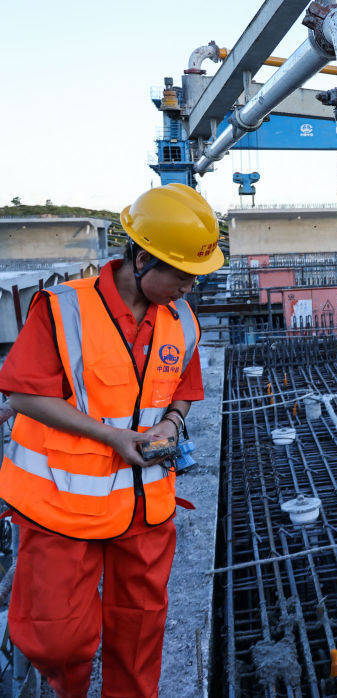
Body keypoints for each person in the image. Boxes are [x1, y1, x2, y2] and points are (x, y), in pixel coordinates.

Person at [0, 183, 224, 697]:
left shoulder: (181, 320)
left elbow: (183, 391)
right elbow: (22, 393)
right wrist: (111, 437)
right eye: (183, 274)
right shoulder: (63, 308)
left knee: (140, 633)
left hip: (145, 505)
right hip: (64, 504)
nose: (189, 288)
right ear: (142, 258)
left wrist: (171, 424)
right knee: (56, 639)